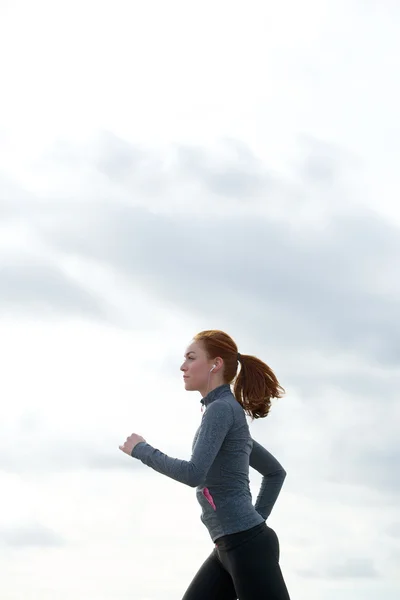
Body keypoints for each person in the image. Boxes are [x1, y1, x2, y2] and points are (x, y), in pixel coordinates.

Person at [119, 329, 290, 599]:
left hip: (245, 545)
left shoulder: (221, 410)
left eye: (191, 357)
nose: (183, 366)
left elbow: (193, 473)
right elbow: (275, 472)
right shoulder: (225, 412)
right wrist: (253, 524)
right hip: (231, 546)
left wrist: (142, 450)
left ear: (215, 364)